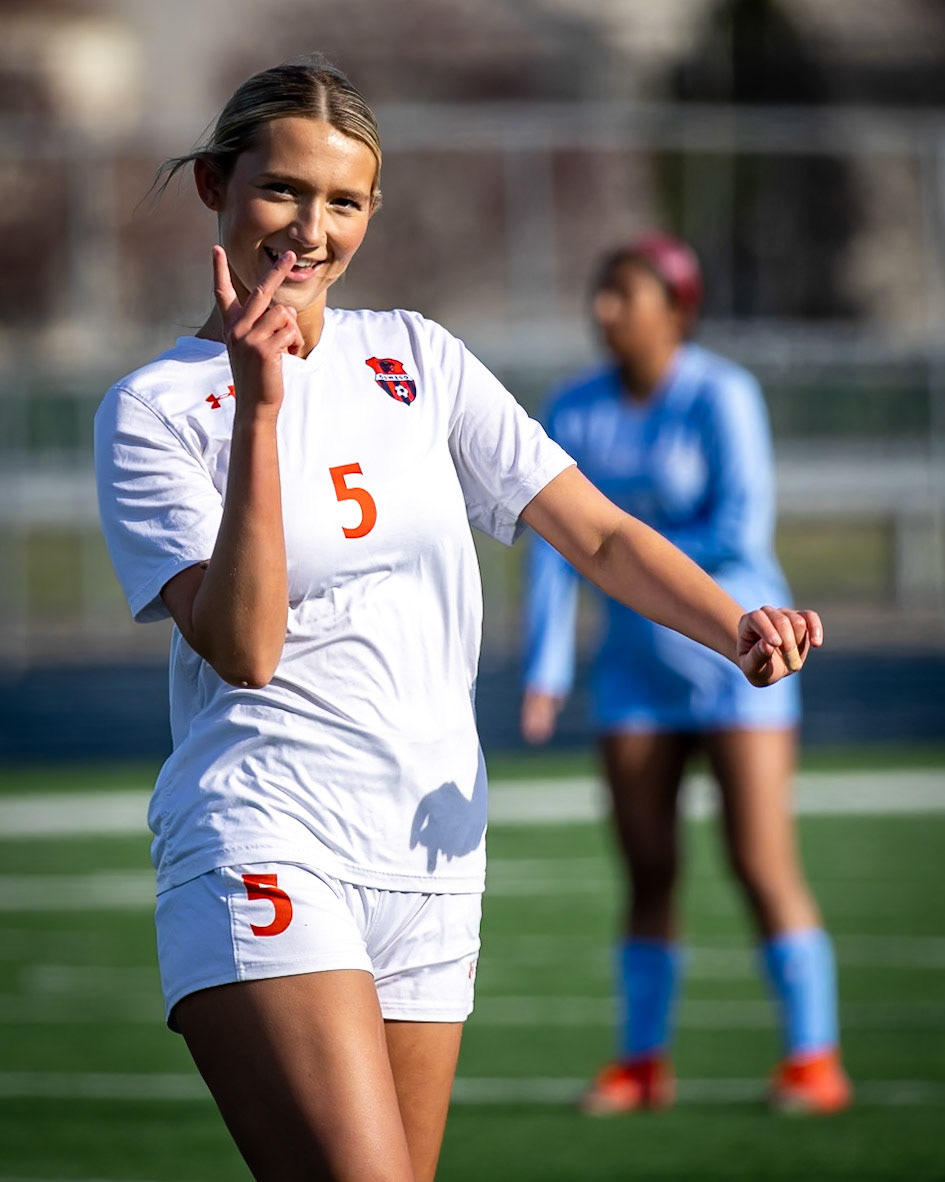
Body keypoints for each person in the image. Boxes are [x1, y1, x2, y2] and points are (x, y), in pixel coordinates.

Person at [94, 56, 822, 1182]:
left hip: (433, 858)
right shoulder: (154, 410)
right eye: (282, 189)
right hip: (267, 837)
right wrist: (260, 413)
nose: (310, 231)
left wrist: (736, 628)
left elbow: (598, 534)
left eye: (343, 202)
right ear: (213, 187)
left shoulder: (417, 357)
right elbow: (245, 647)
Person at [521, 233, 851, 1117]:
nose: (603, 311)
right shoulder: (572, 405)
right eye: (598, 293)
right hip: (632, 674)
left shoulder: (721, 394)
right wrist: (546, 668)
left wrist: (625, 549)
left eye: (623, 294)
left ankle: (812, 1060)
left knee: (758, 860)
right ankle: (641, 1064)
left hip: (740, 663)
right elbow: (556, 546)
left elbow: (739, 526)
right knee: (646, 868)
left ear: (677, 309)